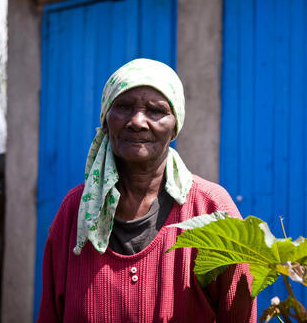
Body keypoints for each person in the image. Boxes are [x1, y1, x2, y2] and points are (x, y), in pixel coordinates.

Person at [37, 59, 257, 322]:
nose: (137, 121)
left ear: (176, 125)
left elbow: (239, 314)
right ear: (106, 119)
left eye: (156, 111)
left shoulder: (212, 209)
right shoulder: (74, 212)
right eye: (123, 107)